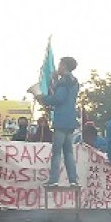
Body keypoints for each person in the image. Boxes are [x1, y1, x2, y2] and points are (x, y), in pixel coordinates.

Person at [36, 57, 80, 186]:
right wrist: (55, 80)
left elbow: (59, 99)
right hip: (70, 119)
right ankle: (73, 180)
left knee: (56, 152)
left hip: (61, 119)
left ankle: (54, 180)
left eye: (60, 65)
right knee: (68, 152)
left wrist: (43, 98)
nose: (58, 68)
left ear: (64, 66)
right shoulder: (74, 81)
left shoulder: (63, 81)